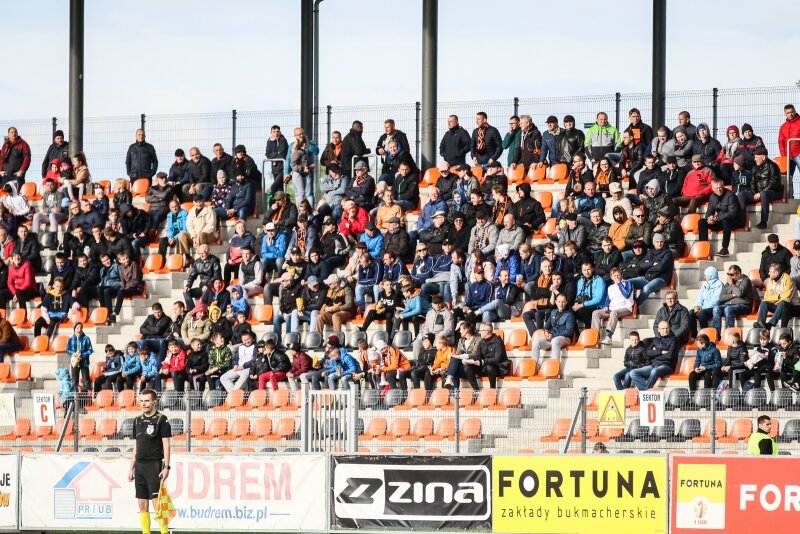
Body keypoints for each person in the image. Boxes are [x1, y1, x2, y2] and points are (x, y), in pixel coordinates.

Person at [128, 388, 172, 534]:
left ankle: (164, 532)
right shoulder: (137, 420)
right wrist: (131, 467)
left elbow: (166, 444)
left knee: (157, 504)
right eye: (141, 401)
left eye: (147, 401)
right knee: (142, 504)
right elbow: (136, 446)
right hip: (140, 466)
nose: (143, 404)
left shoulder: (162, 419)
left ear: (154, 402)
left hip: (154, 465)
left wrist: (166, 467)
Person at [742, 146, 783, 230]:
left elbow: (774, 183)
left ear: (763, 157)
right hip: (759, 193)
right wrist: (755, 193)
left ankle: (763, 222)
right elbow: (752, 182)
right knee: (742, 194)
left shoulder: (773, 166)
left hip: (773, 192)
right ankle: (742, 220)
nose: (755, 159)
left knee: (764, 194)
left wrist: (760, 193)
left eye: (756, 157)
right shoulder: (755, 167)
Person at [629, 321, 678, 390]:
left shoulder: (674, 340)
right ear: (658, 329)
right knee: (633, 373)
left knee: (654, 371)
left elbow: (669, 356)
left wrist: (654, 353)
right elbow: (648, 352)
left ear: (670, 328)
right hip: (654, 365)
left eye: (667, 328)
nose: (665, 330)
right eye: (663, 328)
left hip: (667, 365)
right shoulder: (656, 339)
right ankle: (646, 390)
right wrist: (661, 352)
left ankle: (645, 392)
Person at [593, 268, 634, 345]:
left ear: (621, 275)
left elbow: (627, 295)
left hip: (625, 308)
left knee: (614, 313)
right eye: (614, 275)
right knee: (595, 313)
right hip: (612, 309)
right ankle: (595, 337)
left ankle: (608, 337)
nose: (617, 277)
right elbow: (608, 299)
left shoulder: (628, 283)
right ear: (611, 277)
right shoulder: (610, 287)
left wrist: (619, 284)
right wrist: (606, 306)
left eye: (618, 275)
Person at [531, 294, 575, 364]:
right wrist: (545, 333)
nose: (561, 304)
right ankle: (534, 365)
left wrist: (553, 335)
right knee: (536, 342)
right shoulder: (553, 312)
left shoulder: (570, 314)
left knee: (555, 341)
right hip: (552, 337)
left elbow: (569, 332)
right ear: (556, 302)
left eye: (563, 302)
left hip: (565, 338)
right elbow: (547, 326)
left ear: (566, 302)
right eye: (559, 301)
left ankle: (554, 366)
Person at [754, 263, 799, 330]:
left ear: (776, 273)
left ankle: (770, 324)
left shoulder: (788, 280)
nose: (768, 273)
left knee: (783, 303)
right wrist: (778, 296)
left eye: (770, 272)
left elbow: (787, 298)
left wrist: (773, 298)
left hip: (792, 307)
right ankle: (760, 324)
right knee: (764, 303)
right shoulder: (770, 280)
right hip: (778, 306)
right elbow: (766, 297)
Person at [689, 267, 724, 338]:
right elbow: (700, 296)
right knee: (691, 312)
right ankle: (694, 336)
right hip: (702, 307)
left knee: (701, 313)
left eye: (706, 275)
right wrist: (698, 306)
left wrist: (702, 308)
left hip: (712, 308)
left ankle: (705, 336)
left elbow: (716, 300)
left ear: (711, 275)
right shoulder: (705, 284)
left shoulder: (719, 284)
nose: (704, 277)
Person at [779, 104, 800, 196]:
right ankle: (790, 197)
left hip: (798, 154)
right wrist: (784, 155)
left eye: (792, 112)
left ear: (795, 111)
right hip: (788, 156)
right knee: (788, 177)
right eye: (788, 113)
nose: (790, 114)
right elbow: (781, 141)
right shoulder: (783, 126)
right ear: (785, 114)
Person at [67, 322, 92, 391]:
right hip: (75, 362)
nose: (79, 329)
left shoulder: (86, 338)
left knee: (86, 381)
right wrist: (73, 353)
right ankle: (76, 396)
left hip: (84, 362)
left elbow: (90, 350)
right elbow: (67, 349)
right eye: (77, 328)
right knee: (74, 381)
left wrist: (83, 355)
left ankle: (85, 396)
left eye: (81, 328)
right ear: (74, 329)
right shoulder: (71, 339)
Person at [265, 125, 289, 193]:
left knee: (273, 187)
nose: (276, 133)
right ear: (271, 133)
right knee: (279, 189)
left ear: (280, 132)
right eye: (274, 131)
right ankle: (282, 199)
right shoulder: (269, 141)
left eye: (278, 131)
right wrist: (276, 153)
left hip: (282, 168)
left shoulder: (282, 140)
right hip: (274, 168)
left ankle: (275, 199)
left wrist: (274, 155)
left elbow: (282, 154)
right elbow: (267, 154)